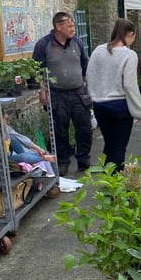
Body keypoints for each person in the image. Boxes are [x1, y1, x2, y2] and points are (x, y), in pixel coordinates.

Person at [32, 11, 92, 177]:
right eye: (70, 25)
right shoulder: (44, 44)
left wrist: (90, 89)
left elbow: (85, 66)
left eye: (73, 25)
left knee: (84, 127)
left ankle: (83, 159)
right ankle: (63, 161)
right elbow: (37, 70)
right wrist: (42, 91)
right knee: (59, 130)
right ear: (58, 26)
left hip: (78, 92)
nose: (73, 28)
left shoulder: (77, 43)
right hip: (56, 94)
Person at [86, 18, 141, 173]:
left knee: (109, 144)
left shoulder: (98, 50)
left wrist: (94, 96)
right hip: (120, 106)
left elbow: (89, 75)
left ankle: (107, 181)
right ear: (131, 34)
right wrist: (139, 110)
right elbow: (130, 85)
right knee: (119, 148)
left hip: (100, 106)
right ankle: (116, 187)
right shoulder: (129, 55)